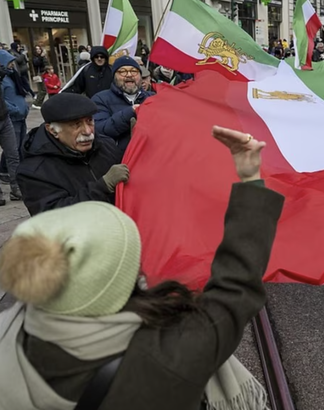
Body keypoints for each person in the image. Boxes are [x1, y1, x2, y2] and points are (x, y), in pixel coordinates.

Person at [0, 126, 283, 410]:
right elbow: (237, 288)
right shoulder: (169, 356)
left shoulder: (7, 332)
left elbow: (235, 290)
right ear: (120, 282)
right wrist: (250, 179)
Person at [17, 93, 125, 216]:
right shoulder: (33, 172)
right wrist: (102, 187)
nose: (88, 131)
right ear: (53, 130)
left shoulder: (106, 145)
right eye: (76, 125)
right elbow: (54, 217)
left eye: (89, 121)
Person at [92, 56, 154, 152]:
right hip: (120, 161)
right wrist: (130, 112)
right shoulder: (101, 99)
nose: (129, 75)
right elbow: (100, 130)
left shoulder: (153, 98)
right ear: (114, 77)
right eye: (122, 71)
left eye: (134, 71)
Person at [0, 54, 23, 204]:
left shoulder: (4, 75)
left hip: (4, 118)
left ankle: (16, 188)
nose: (11, 66)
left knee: (13, 154)